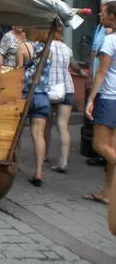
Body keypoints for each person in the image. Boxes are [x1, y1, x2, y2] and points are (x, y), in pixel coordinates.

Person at [85, 1, 116, 205]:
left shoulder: (109, 40)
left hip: (109, 97)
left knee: (99, 144)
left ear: (112, 16)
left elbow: (102, 72)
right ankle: (107, 193)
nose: (100, 14)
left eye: (103, 12)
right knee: (112, 148)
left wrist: (90, 98)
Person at [44, 27, 87, 172]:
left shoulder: (47, 47)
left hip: (50, 89)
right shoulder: (67, 49)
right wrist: (82, 73)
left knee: (47, 124)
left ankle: (44, 154)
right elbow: (74, 66)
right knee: (63, 126)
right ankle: (63, 162)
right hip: (67, 89)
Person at [17, 28, 52, 187]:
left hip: (25, 95)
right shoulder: (48, 50)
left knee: (16, 133)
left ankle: (14, 164)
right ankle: (38, 172)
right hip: (42, 96)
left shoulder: (23, 48)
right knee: (38, 135)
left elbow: (18, 74)